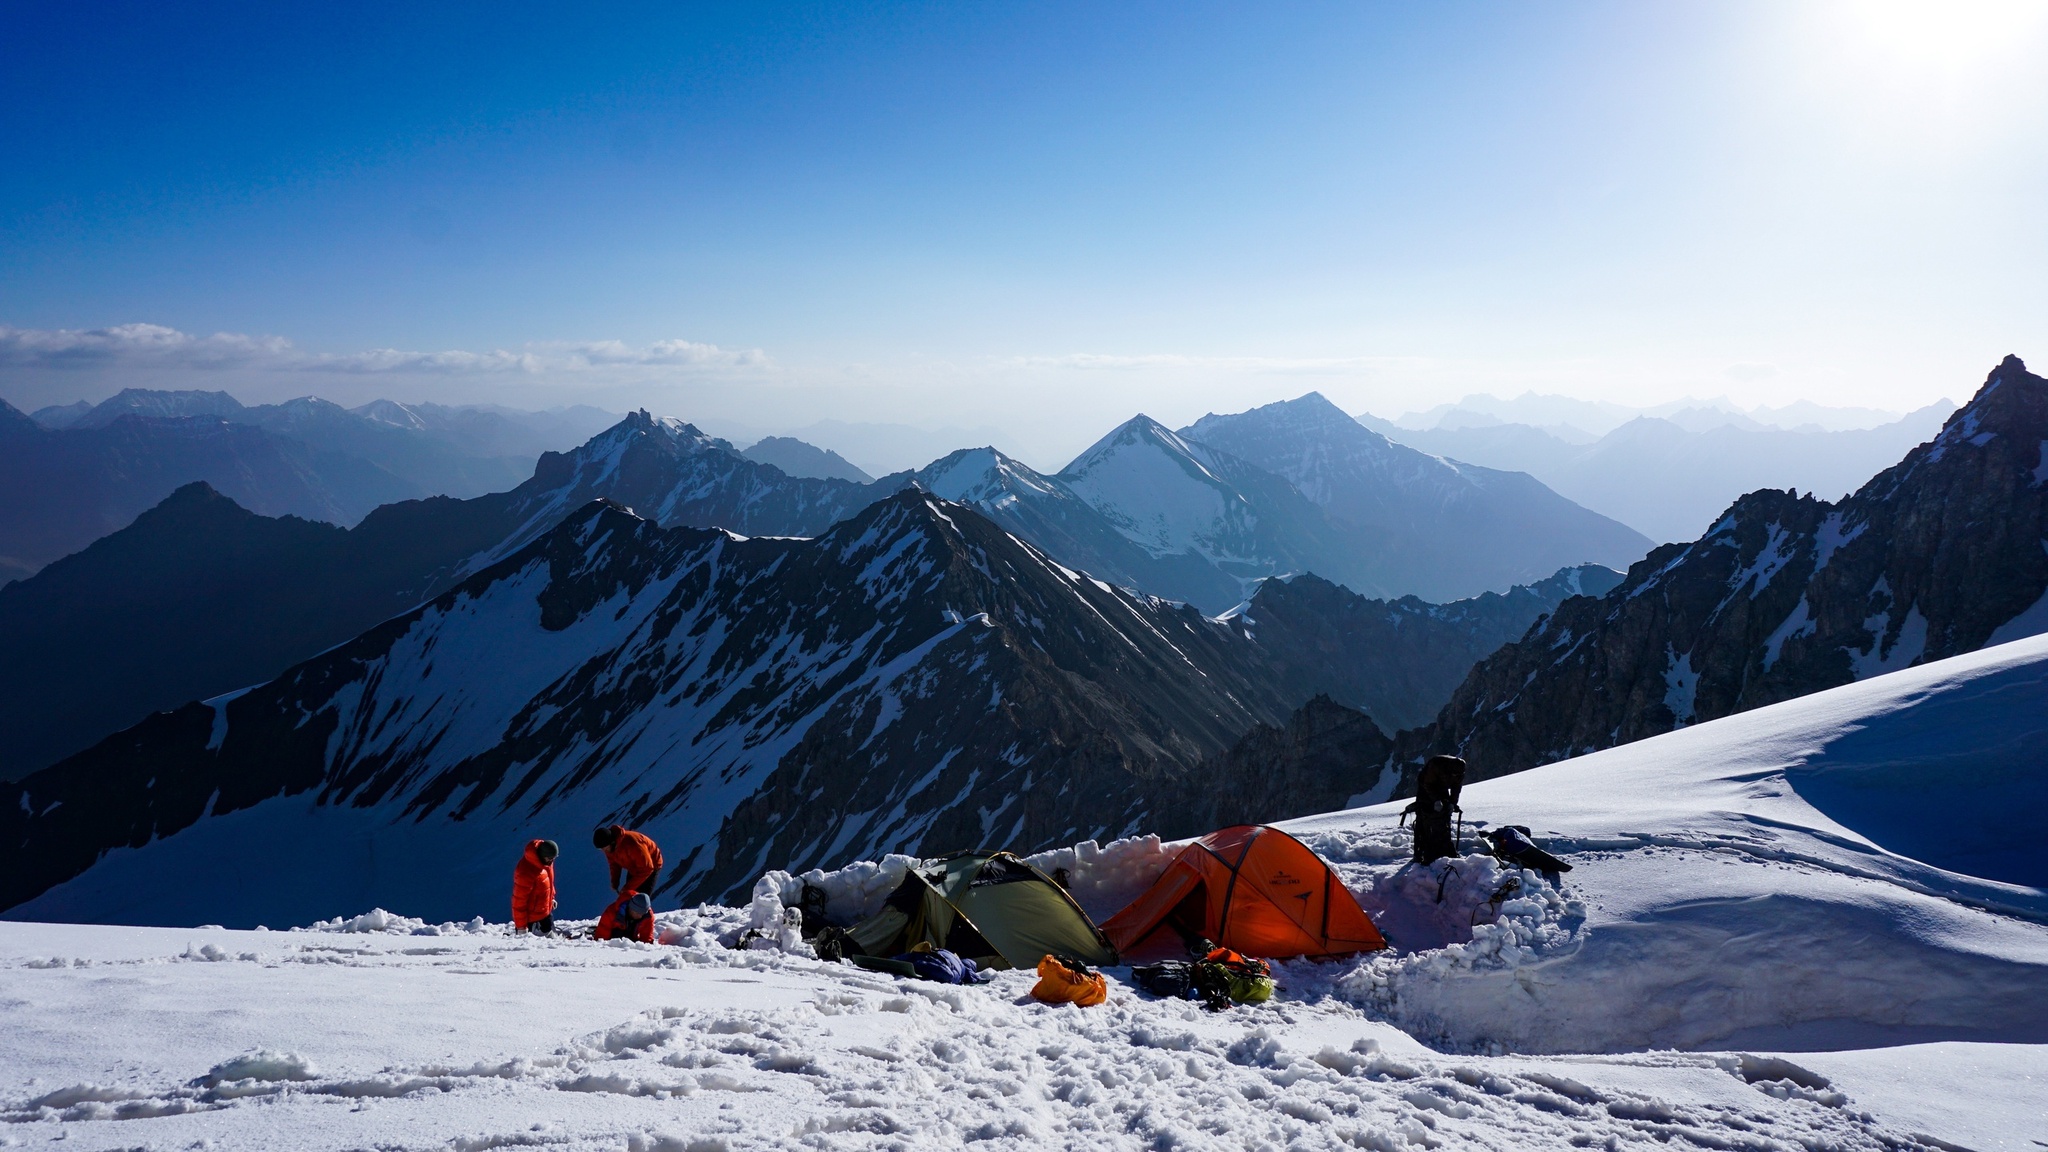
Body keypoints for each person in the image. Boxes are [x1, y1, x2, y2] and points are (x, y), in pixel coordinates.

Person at [1404, 754, 1467, 865]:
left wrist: (1452, 803)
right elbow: (1427, 784)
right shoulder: (1436, 765)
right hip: (1426, 786)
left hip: (1442, 787)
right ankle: (1420, 852)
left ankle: (1442, 847)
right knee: (1424, 814)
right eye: (1453, 774)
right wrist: (1436, 800)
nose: (1455, 776)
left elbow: (1456, 789)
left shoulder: (1459, 772)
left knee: (1444, 815)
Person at [592, 823, 663, 903]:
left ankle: (645, 915)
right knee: (628, 898)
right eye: (601, 849)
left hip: (651, 866)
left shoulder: (633, 844)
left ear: (612, 842)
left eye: (604, 848)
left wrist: (627, 888)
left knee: (640, 901)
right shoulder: (609, 848)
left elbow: (647, 868)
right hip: (634, 867)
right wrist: (615, 881)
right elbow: (614, 863)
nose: (604, 851)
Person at [511, 839, 558, 934]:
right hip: (533, 921)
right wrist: (521, 927)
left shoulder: (546, 863)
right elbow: (519, 902)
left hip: (545, 914)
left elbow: (548, 883)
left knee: (553, 942)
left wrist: (551, 898)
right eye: (550, 858)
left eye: (553, 858)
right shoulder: (525, 872)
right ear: (542, 855)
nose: (552, 861)